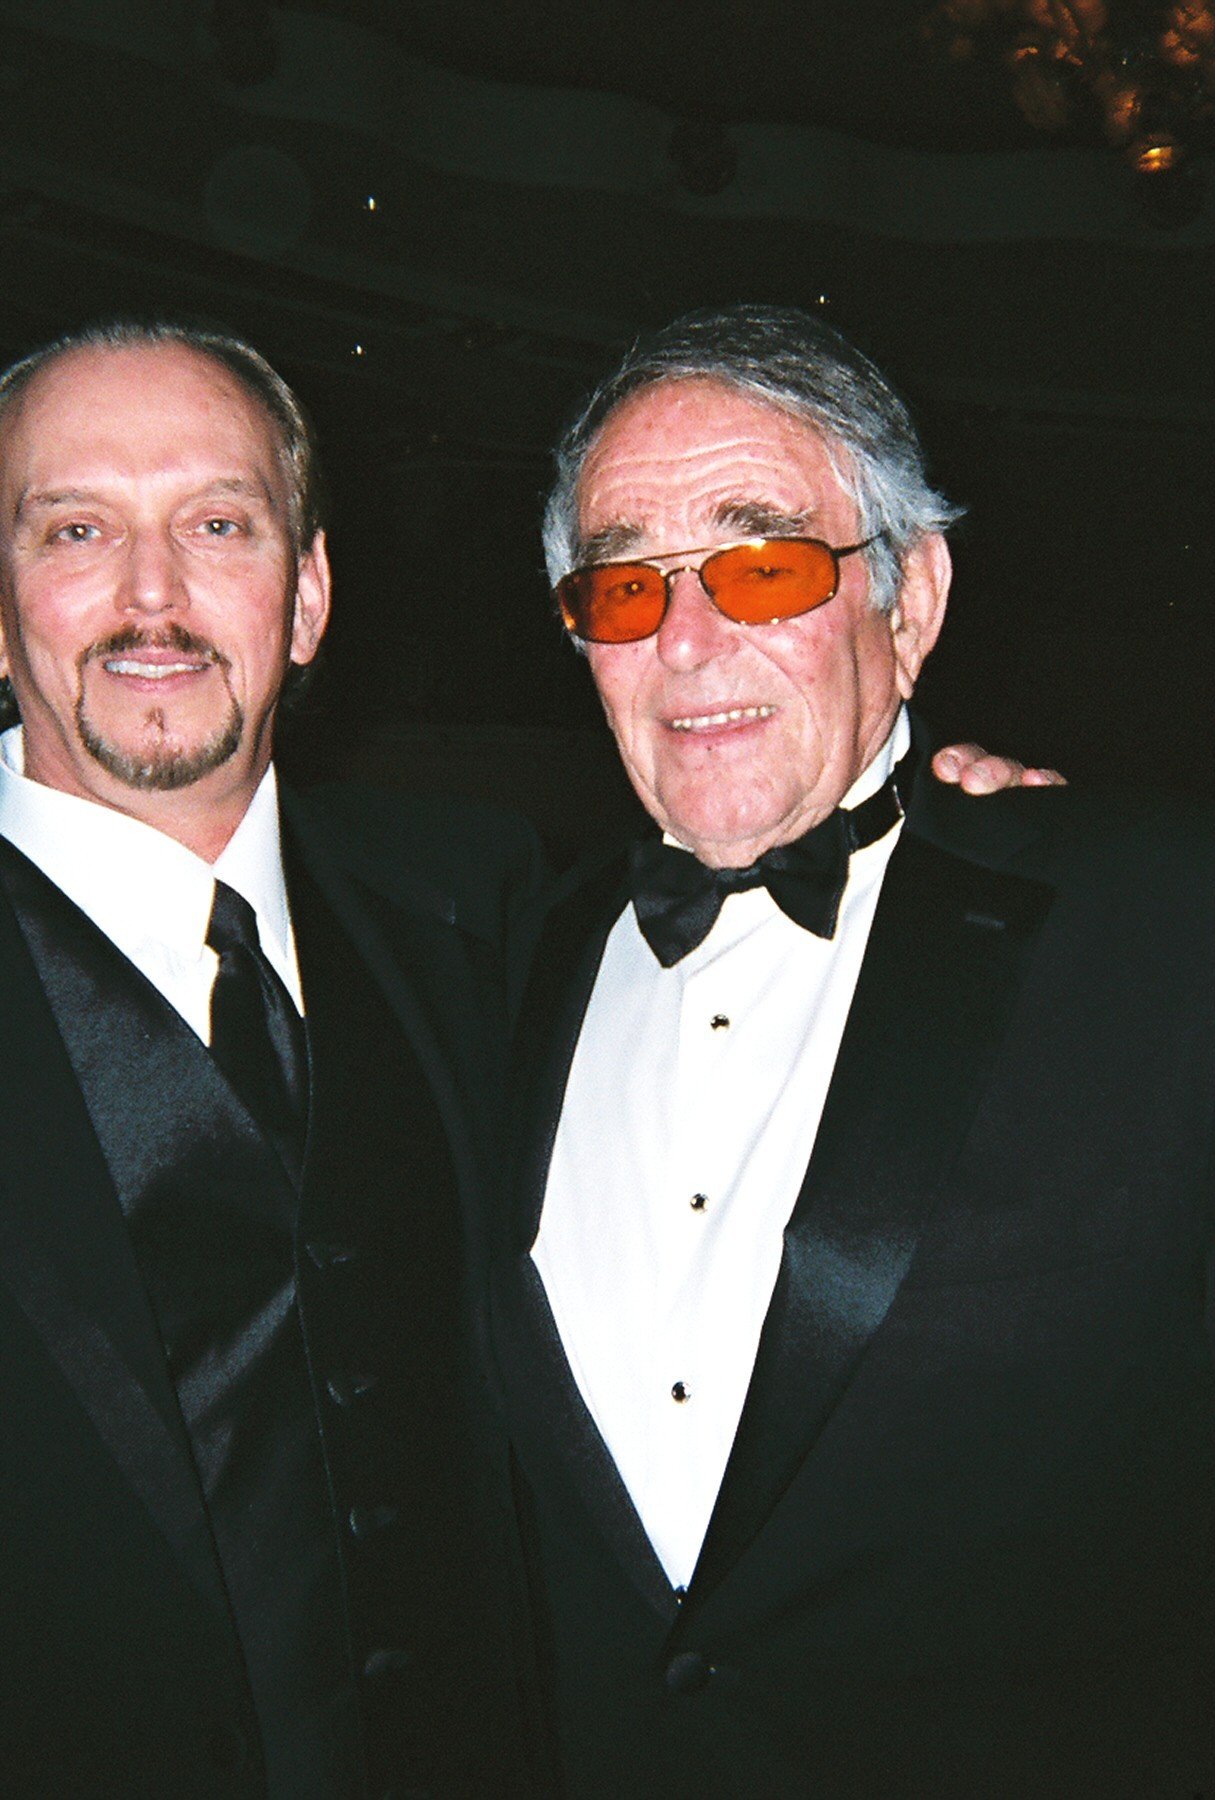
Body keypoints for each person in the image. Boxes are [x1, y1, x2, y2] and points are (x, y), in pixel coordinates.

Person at [489, 304, 1215, 1797]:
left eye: (761, 566)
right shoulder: (499, 961)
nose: (689, 643)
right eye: (625, 587)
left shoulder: (1156, 921)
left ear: (914, 596)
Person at [0, 319, 542, 1799]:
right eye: (77, 527)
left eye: (219, 523)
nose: (153, 595)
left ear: (305, 597)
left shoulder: (490, 913)